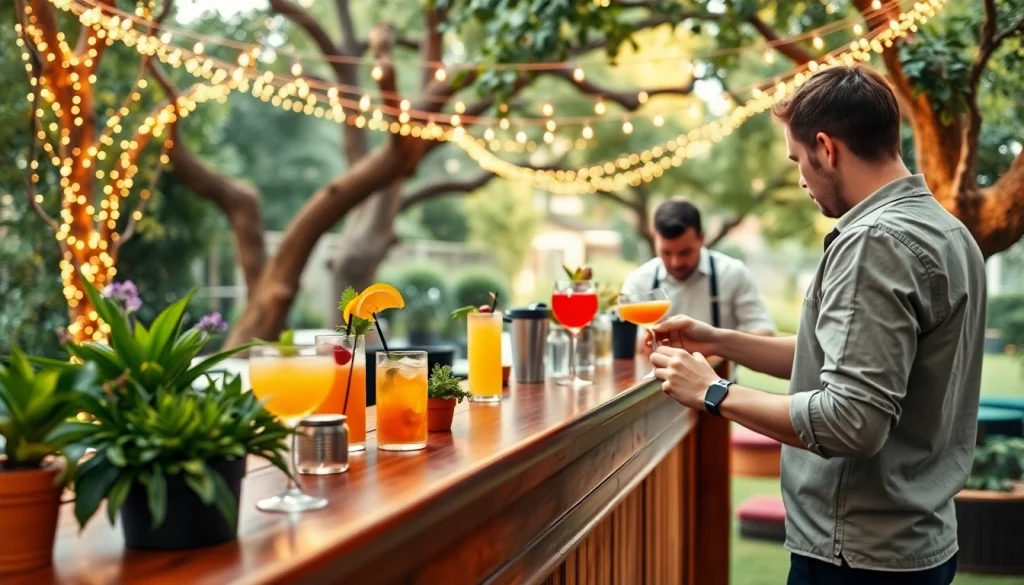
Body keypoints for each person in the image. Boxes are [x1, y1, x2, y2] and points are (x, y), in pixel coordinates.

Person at [648, 65, 985, 585]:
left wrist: (713, 393)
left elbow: (852, 419)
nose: (801, 178)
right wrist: (718, 339)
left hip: (854, 554)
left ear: (826, 148)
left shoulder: (875, 243)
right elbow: (840, 357)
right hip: (919, 543)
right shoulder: (949, 231)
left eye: (798, 160)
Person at [620, 199, 775, 359]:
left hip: (719, 379)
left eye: (685, 252)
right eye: (666, 253)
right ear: (655, 239)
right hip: (657, 381)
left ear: (701, 238)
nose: (676, 262)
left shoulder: (733, 273)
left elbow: (763, 332)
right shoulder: (638, 281)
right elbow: (627, 343)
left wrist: (719, 344)